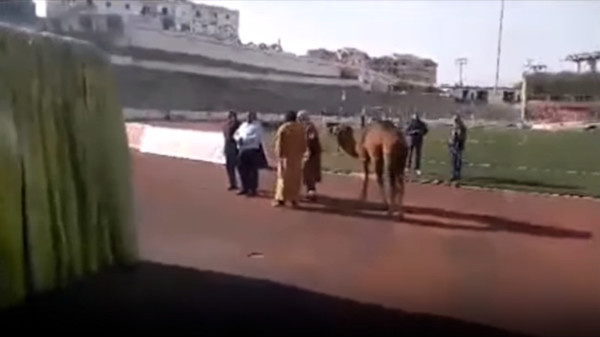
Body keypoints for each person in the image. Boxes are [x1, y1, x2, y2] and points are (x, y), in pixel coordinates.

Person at [273, 110, 307, 207]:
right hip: (297, 157)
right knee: (295, 179)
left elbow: (279, 144)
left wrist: (278, 154)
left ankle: (281, 198)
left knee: (283, 178)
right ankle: (294, 199)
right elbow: (304, 144)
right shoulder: (301, 128)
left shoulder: (283, 128)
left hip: (285, 157)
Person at [233, 111, 264, 197]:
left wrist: (245, 140)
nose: (248, 118)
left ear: (254, 117)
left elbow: (256, 137)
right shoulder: (243, 125)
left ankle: (253, 189)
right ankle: (244, 187)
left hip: (252, 150)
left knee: (252, 170)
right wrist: (238, 139)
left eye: (250, 116)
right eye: (247, 116)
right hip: (242, 149)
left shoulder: (257, 126)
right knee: (241, 169)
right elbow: (236, 134)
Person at [297, 110, 322, 201]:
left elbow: (311, 140)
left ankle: (311, 193)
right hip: (307, 153)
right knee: (306, 173)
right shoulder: (304, 127)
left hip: (311, 153)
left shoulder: (310, 127)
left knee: (309, 173)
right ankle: (309, 191)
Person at [405, 111, 428, 175]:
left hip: (419, 140)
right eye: (415, 116)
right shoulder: (410, 123)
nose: (416, 117)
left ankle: (417, 168)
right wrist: (413, 132)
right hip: (411, 140)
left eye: (417, 116)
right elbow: (406, 131)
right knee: (409, 154)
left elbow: (426, 130)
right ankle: (407, 167)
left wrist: (421, 132)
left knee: (418, 155)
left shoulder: (421, 124)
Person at [222, 111, 241, 190]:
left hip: (236, 147)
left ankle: (241, 184)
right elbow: (226, 136)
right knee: (229, 167)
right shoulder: (226, 125)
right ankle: (232, 183)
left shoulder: (238, 125)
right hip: (228, 146)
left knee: (239, 167)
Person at [448, 114, 467, 183]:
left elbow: (462, 137)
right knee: (453, 161)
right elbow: (451, 136)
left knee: (458, 161)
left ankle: (457, 174)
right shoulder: (454, 127)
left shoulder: (462, 128)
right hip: (452, 145)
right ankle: (453, 175)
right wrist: (450, 143)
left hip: (458, 145)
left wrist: (459, 142)